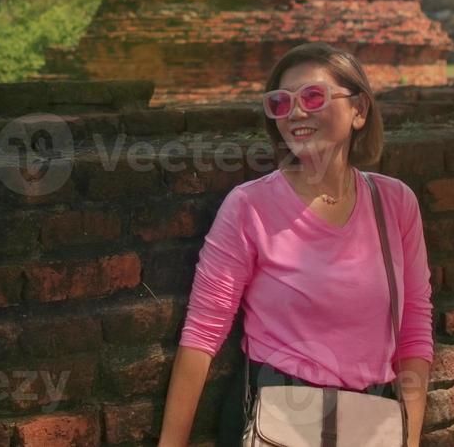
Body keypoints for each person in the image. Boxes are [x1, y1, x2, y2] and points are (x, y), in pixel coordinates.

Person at [156, 42, 435, 447]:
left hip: (371, 422)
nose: (296, 113)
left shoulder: (394, 203)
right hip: (276, 422)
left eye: (313, 97)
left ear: (359, 110)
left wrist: (408, 438)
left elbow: (414, 329)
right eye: (281, 103)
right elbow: (202, 333)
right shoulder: (249, 206)